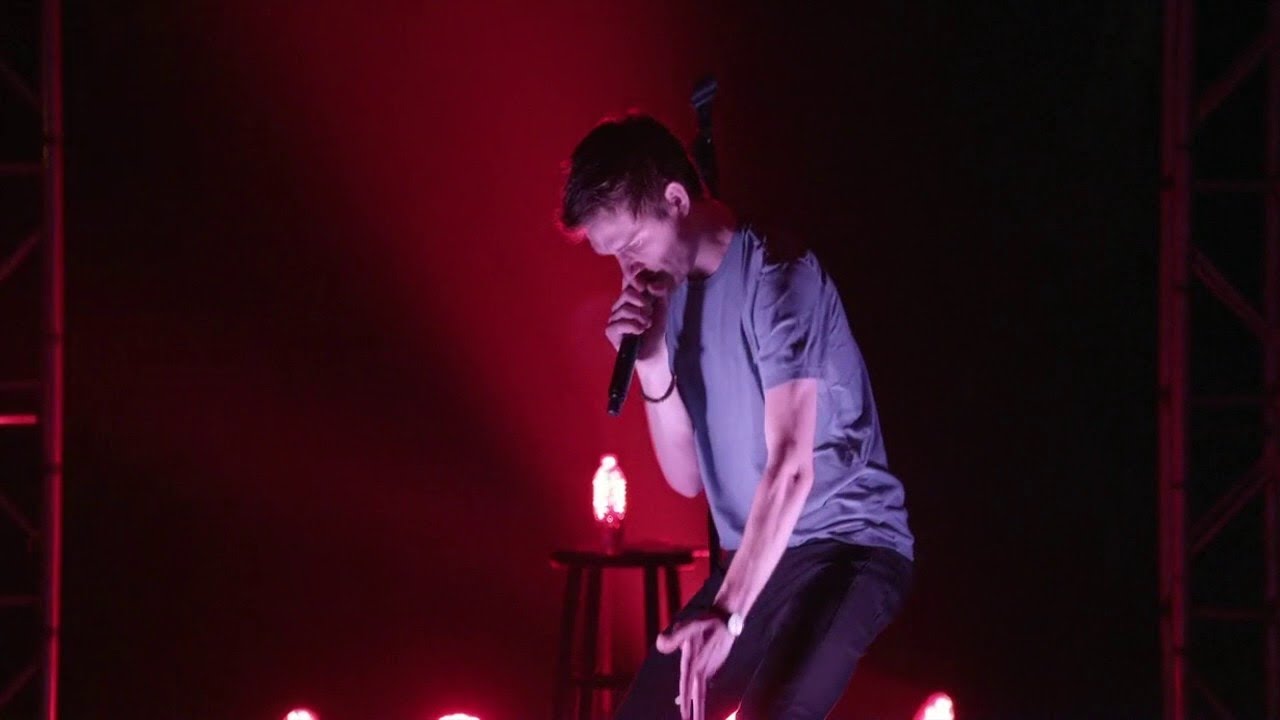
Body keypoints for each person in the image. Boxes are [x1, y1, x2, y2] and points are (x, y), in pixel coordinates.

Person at [558, 112, 915, 720]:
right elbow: (686, 478)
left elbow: (792, 468)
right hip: (754, 560)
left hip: (845, 547)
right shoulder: (674, 295)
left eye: (633, 245)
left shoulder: (779, 275)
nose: (629, 270)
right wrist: (652, 361)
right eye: (613, 257)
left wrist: (728, 611)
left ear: (676, 200)